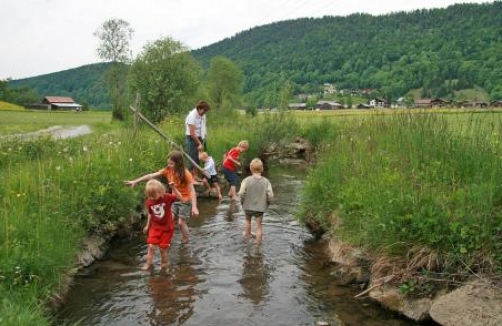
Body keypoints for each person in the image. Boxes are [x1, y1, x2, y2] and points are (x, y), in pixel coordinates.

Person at [125, 150, 199, 244]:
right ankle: (165, 239)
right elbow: (151, 176)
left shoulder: (186, 174)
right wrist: (135, 181)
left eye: (171, 164)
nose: (169, 165)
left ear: (179, 163)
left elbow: (192, 191)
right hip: (173, 199)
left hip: (185, 200)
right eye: (168, 163)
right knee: (168, 219)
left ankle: (186, 240)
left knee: (180, 223)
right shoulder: (168, 170)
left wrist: (194, 207)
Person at [142, 179, 181, 271]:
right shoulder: (149, 201)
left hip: (167, 228)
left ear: (160, 192)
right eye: (149, 196)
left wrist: (174, 188)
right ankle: (148, 263)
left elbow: (180, 198)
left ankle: (164, 265)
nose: (151, 198)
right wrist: (147, 226)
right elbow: (150, 214)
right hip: (155, 227)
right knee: (151, 246)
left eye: (153, 195)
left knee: (162, 249)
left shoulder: (167, 197)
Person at [238, 158, 273, 245]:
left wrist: (242, 202)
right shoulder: (266, 181)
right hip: (260, 208)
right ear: (262, 169)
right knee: (258, 226)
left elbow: (241, 193)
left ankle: (247, 237)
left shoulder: (246, 180)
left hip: (247, 206)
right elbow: (270, 195)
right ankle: (258, 244)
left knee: (247, 221)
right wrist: (269, 202)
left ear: (250, 168)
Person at [185, 100, 210, 180]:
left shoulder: (202, 115)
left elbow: (203, 126)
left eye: (206, 111)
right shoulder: (192, 116)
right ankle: (191, 178)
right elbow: (192, 133)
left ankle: (195, 176)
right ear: (199, 108)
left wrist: (204, 138)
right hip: (192, 138)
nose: (205, 112)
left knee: (199, 157)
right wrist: (199, 143)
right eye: (204, 110)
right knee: (193, 157)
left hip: (200, 137)